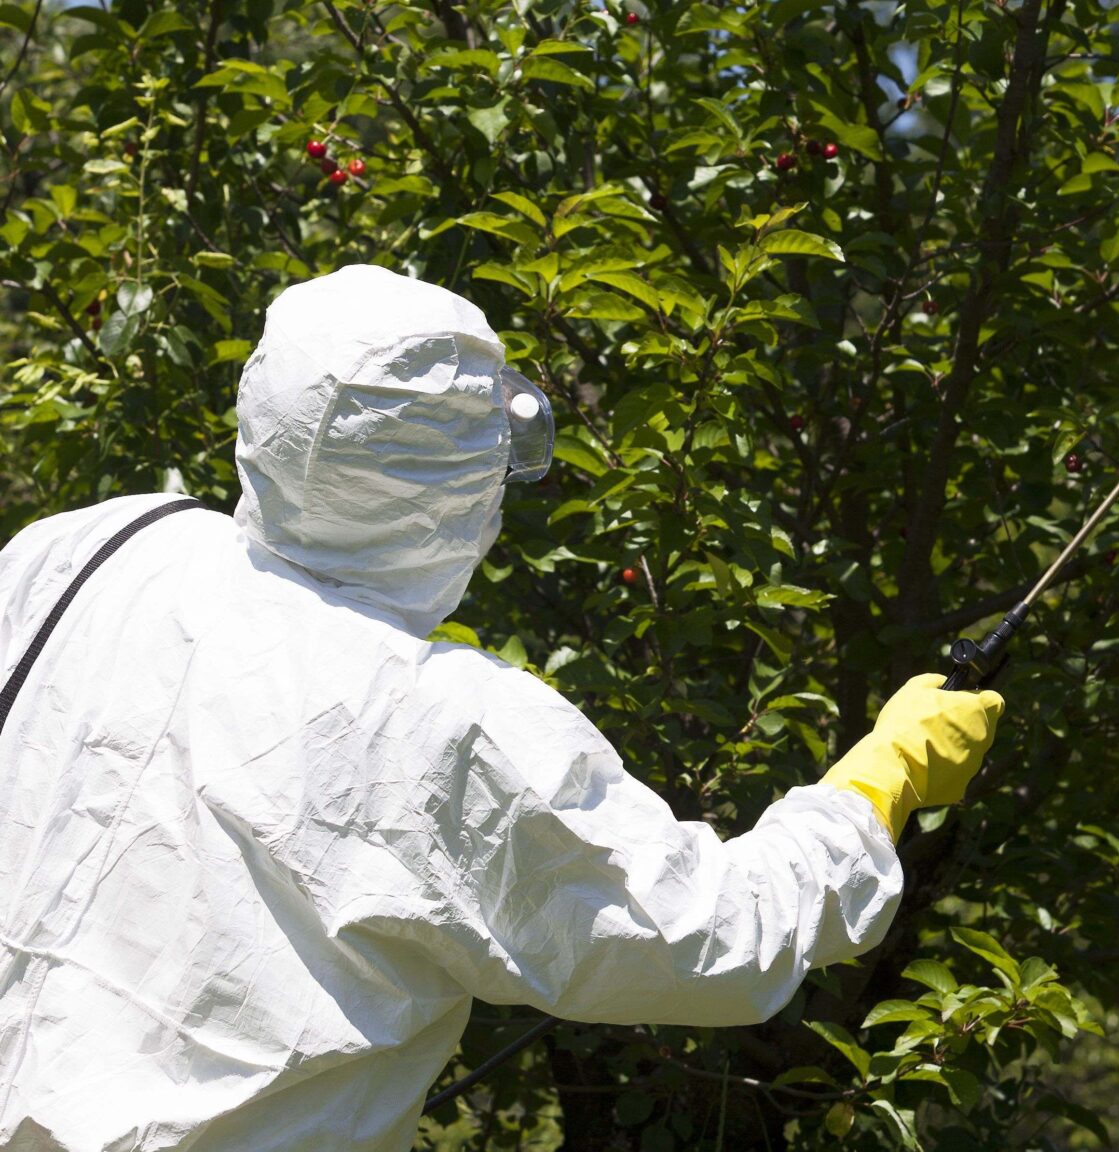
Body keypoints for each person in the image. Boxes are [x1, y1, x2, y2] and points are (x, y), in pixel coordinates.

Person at [0, 264, 1004, 1151]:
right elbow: (709, 936)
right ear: (460, 487)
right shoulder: (438, 723)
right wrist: (880, 780)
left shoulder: (100, 546)